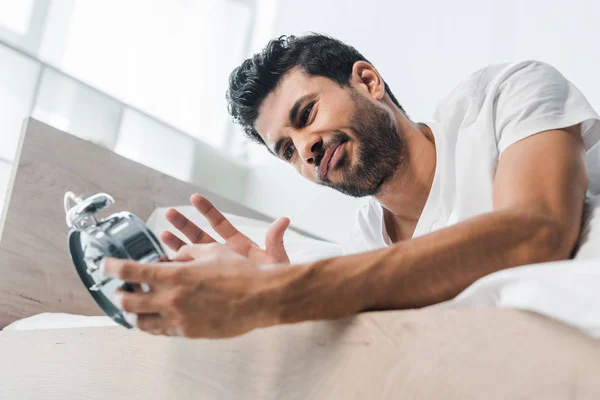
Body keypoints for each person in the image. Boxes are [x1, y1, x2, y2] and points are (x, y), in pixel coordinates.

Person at [104, 34, 600, 338]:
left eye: (307, 114)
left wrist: (278, 293)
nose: (307, 150)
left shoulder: (503, 95)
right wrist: (288, 319)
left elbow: (537, 231)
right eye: (287, 150)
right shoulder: (361, 247)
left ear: (367, 81)